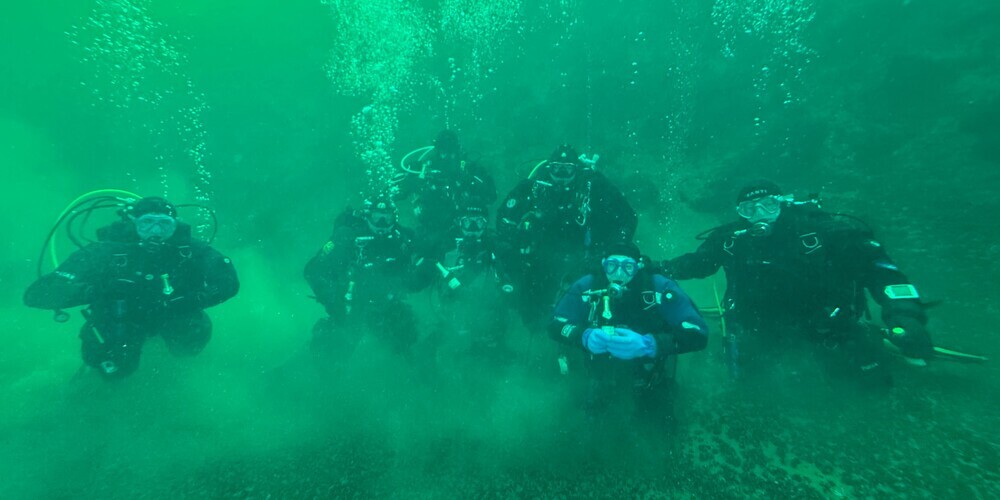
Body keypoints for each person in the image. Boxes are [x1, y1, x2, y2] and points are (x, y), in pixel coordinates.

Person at [660, 180, 934, 387]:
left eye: (769, 204)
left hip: (828, 326)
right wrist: (652, 268)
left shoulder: (823, 230)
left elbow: (883, 272)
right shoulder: (731, 238)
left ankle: (877, 342)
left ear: (783, 203)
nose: (760, 215)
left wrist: (905, 316)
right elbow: (698, 264)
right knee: (749, 387)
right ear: (740, 212)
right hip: (759, 327)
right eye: (749, 209)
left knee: (869, 386)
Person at [24, 196, 240, 379]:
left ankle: (166, 358)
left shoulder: (190, 249)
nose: (155, 232)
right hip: (119, 319)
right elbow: (36, 295)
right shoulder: (104, 251)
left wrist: (188, 301)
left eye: (164, 225)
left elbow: (228, 282)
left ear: (174, 226)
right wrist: (98, 290)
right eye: (147, 224)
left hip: (173, 314)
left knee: (191, 345)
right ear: (134, 224)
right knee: (113, 372)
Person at [550, 242, 708, 422]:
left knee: (659, 428)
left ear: (638, 266)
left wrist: (649, 345)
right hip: (601, 373)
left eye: (627, 267)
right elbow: (555, 323)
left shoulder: (658, 287)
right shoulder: (587, 286)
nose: (618, 274)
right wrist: (583, 336)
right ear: (603, 265)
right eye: (612, 265)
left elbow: (698, 332)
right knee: (589, 424)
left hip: (648, 374)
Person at [496, 144, 637, 328]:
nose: (561, 175)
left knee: (586, 295)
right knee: (530, 302)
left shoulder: (593, 184)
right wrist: (516, 241)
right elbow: (504, 216)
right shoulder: (535, 186)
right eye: (556, 168)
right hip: (541, 252)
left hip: (585, 253)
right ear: (549, 168)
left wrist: (614, 250)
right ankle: (539, 328)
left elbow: (627, 217)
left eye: (568, 169)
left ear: (576, 170)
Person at [305, 195, 421, 362]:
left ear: (394, 218)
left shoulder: (402, 239)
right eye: (377, 217)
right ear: (367, 216)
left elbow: (414, 277)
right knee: (331, 351)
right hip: (350, 304)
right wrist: (332, 300)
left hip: (386, 306)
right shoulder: (347, 237)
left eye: (386, 218)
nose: (381, 223)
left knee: (406, 341)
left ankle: (402, 375)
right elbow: (313, 270)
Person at [413, 203, 512, 363]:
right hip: (450, 315)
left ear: (486, 223)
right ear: (460, 223)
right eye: (467, 222)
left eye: (478, 222)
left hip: (487, 318)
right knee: (427, 350)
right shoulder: (445, 246)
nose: (472, 227)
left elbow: (510, 284)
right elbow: (418, 280)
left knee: (488, 360)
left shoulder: (496, 247)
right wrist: (421, 269)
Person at [397, 130, 497, 237]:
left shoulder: (469, 170)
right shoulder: (423, 169)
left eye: (452, 153)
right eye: (443, 153)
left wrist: (472, 180)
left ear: (458, 151)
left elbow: (491, 197)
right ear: (437, 151)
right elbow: (396, 193)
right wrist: (412, 181)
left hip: (466, 230)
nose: (447, 158)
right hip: (431, 228)